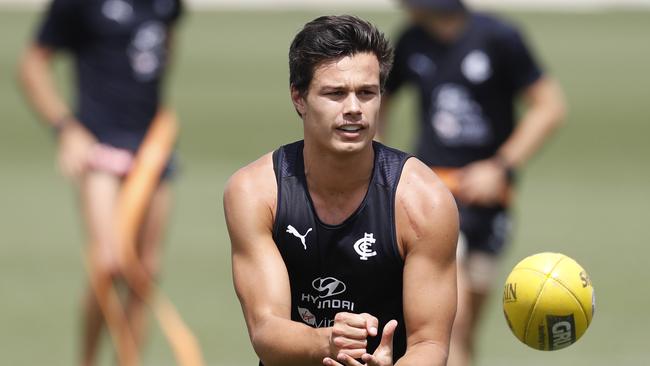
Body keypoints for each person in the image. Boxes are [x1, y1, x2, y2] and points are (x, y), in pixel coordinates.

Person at [224, 15, 459, 366]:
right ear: (299, 98)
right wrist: (328, 343)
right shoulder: (256, 192)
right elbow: (266, 330)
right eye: (335, 93)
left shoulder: (424, 201)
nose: (354, 109)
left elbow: (431, 343)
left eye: (367, 93)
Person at [379, 1, 567, 365]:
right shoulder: (411, 41)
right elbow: (380, 99)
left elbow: (550, 106)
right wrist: (380, 162)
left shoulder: (499, 37)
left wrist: (500, 167)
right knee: (451, 323)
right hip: (433, 198)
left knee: (466, 329)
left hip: (488, 200)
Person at [18, 0, 183, 365]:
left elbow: (164, 48)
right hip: (100, 146)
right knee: (108, 265)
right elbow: (31, 65)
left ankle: (128, 360)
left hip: (152, 149)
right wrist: (66, 130)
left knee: (145, 271)